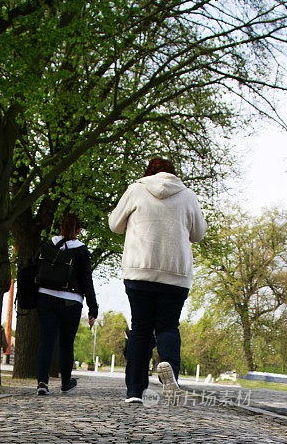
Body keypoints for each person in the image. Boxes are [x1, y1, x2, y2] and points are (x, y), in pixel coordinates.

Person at [108, 156, 207, 404]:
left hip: (140, 270)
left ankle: (134, 392)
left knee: (140, 329)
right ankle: (169, 368)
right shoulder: (187, 195)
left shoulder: (136, 190)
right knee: (167, 326)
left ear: (148, 173)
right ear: (173, 174)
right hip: (175, 273)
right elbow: (199, 234)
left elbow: (114, 225)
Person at [36, 213, 98, 396]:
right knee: (66, 343)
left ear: (60, 228)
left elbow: (34, 267)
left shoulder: (47, 245)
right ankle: (65, 382)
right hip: (71, 301)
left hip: (45, 297)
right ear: (78, 230)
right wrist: (93, 309)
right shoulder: (81, 250)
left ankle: (42, 382)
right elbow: (87, 281)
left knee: (46, 341)